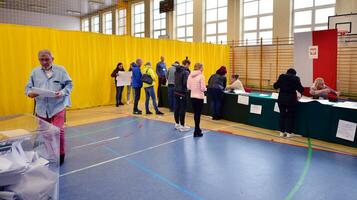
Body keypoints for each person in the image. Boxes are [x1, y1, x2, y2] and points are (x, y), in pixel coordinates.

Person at [25, 49, 73, 165]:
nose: (45, 62)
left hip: (58, 106)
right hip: (41, 108)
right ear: (39, 60)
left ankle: (61, 154)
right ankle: (51, 153)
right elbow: (28, 88)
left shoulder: (61, 70)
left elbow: (69, 84)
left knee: (58, 131)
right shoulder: (34, 72)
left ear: (53, 59)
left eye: (47, 59)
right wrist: (30, 93)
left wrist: (62, 92)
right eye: (42, 59)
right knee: (45, 132)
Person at [273, 68, 304, 138]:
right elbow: (301, 89)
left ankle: (281, 132)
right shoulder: (296, 78)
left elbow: (275, 86)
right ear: (294, 74)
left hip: (281, 99)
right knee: (290, 116)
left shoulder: (282, 76)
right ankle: (289, 133)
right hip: (291, 100)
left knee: (282, 115)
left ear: (287, 72)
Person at [187, 63, 207, 137]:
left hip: (192, 97)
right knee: (198, 114)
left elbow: (188, 87)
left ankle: (197, 129)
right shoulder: (201, 76)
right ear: (200, 68)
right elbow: (202, 88)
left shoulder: (190, 75)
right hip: (199, 97)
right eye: (202, 67)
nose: (203, 69)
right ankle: (196, 130)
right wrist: (206, 89)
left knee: (196, 114)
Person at [174, 59, 191, 132]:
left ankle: (177, 124)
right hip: (182, 92)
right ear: (187, 64)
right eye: (189, 65)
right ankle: (182, 125)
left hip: (176, 91)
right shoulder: (186, 72)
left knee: (177, 107)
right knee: (182, 109)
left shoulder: (176, 71)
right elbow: (185, 83)